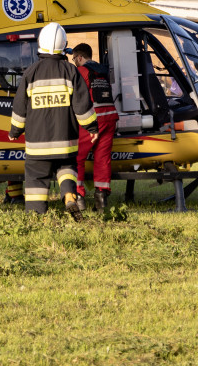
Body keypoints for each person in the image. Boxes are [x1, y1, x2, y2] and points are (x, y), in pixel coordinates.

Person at [9, 23, 98, 220]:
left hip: (37, 145)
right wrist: (92, 127)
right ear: (64, 45)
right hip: (65, 142)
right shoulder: (70, 71)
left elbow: (20, 107)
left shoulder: (30, 72)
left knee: (36, 177)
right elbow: (82, 104)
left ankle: (36, 215)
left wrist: (15, 131)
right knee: (67, 168)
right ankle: (68, 195)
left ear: (40, 44)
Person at [70, 42, 117, 212]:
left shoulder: (81, 72)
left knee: (77, 157)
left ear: (80, 57)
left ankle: (79, 197)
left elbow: (76, 96)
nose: (74, 61)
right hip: (110, 117)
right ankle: (101, 199)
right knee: (102, 158)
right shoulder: (102, 71)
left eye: (75, 58)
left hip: (92, 120)